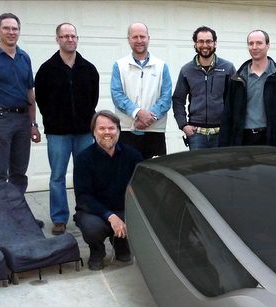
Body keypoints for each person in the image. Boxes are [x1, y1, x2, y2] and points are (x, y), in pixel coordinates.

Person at [35, 23, 99, 236]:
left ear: (77, 39)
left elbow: (93, 98)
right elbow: (41, 100)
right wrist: (53, 119)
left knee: (85, 175)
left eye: (73, 36)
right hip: (58, 133)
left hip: (84, 132)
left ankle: (85, 213)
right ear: (57, 39)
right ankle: (59, 218)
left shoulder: (88, 69)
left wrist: (86, 120)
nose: (70, 39)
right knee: (57, 176)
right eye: (65, 36)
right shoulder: (46, 70)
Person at [0, 12, 41, 194]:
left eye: (15, 29)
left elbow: (30, 93)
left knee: (19, 172)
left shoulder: (24, 57)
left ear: (19, 31)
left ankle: (16, 209)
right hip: (0, 119)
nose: (11, 32)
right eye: (6, 28)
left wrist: (33, 124)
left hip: (23, 120)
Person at [73, 111, 142, 271]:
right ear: (94, 132)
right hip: (95, 212)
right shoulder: (84, 159)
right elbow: (83, 197)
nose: (107, 132)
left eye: (111, 128)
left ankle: (121, 244)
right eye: (102, 128)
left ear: (118, 130)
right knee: (92, 228)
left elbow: (141, 186)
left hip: (123, 208)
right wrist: (110, 216)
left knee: (141, 220)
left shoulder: (132, 155)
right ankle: (97, 251)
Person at [219, 30, 276, 148]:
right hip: (243, 140)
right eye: (251, 43)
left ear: (268, 45)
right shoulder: (237, 79)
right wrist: (225, 146)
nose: (254, 47)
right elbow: (228, 115)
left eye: (259, 43)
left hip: (271, 140)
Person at [111, 22, 172, 159]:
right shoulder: (119, 66)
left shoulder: (161, 66)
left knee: (155, 171)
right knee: (128, 170)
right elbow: (117, 95)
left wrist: (149, 118)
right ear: (128, 39)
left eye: (142, 36)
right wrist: (138, 113)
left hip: (155, 132)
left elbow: (166, 98)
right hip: (127, 130)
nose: (139, 40)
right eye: (135, 37)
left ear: (148, 38)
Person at [172, 26, 235, 150]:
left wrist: (231, 126)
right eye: (201, 41)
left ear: (215, 43)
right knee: (198, 164)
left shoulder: (227, 68)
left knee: (221, 164)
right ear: (195, 44)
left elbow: (235, 99)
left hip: (221, 133)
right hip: (196, 134)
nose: (205, 45)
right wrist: (183, 125)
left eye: (208, 41)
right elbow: (178, 100)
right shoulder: (187, 70)